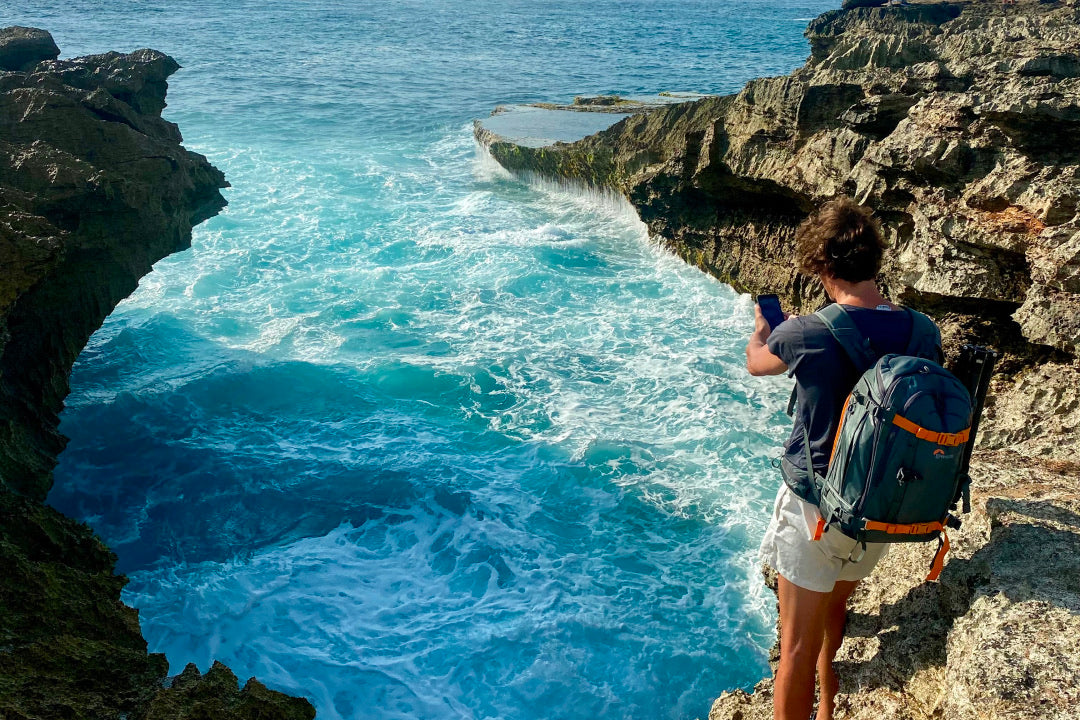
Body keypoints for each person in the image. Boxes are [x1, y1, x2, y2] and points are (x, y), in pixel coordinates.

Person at [744, 197, 942, 720]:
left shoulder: (804, 332)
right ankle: (829, 705)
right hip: (882, 508)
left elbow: (756, 364)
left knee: (795, 650)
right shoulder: (924, 331)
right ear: (876, 259)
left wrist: (764, 329)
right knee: (836, 603)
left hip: (816, 509)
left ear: (821, 265)